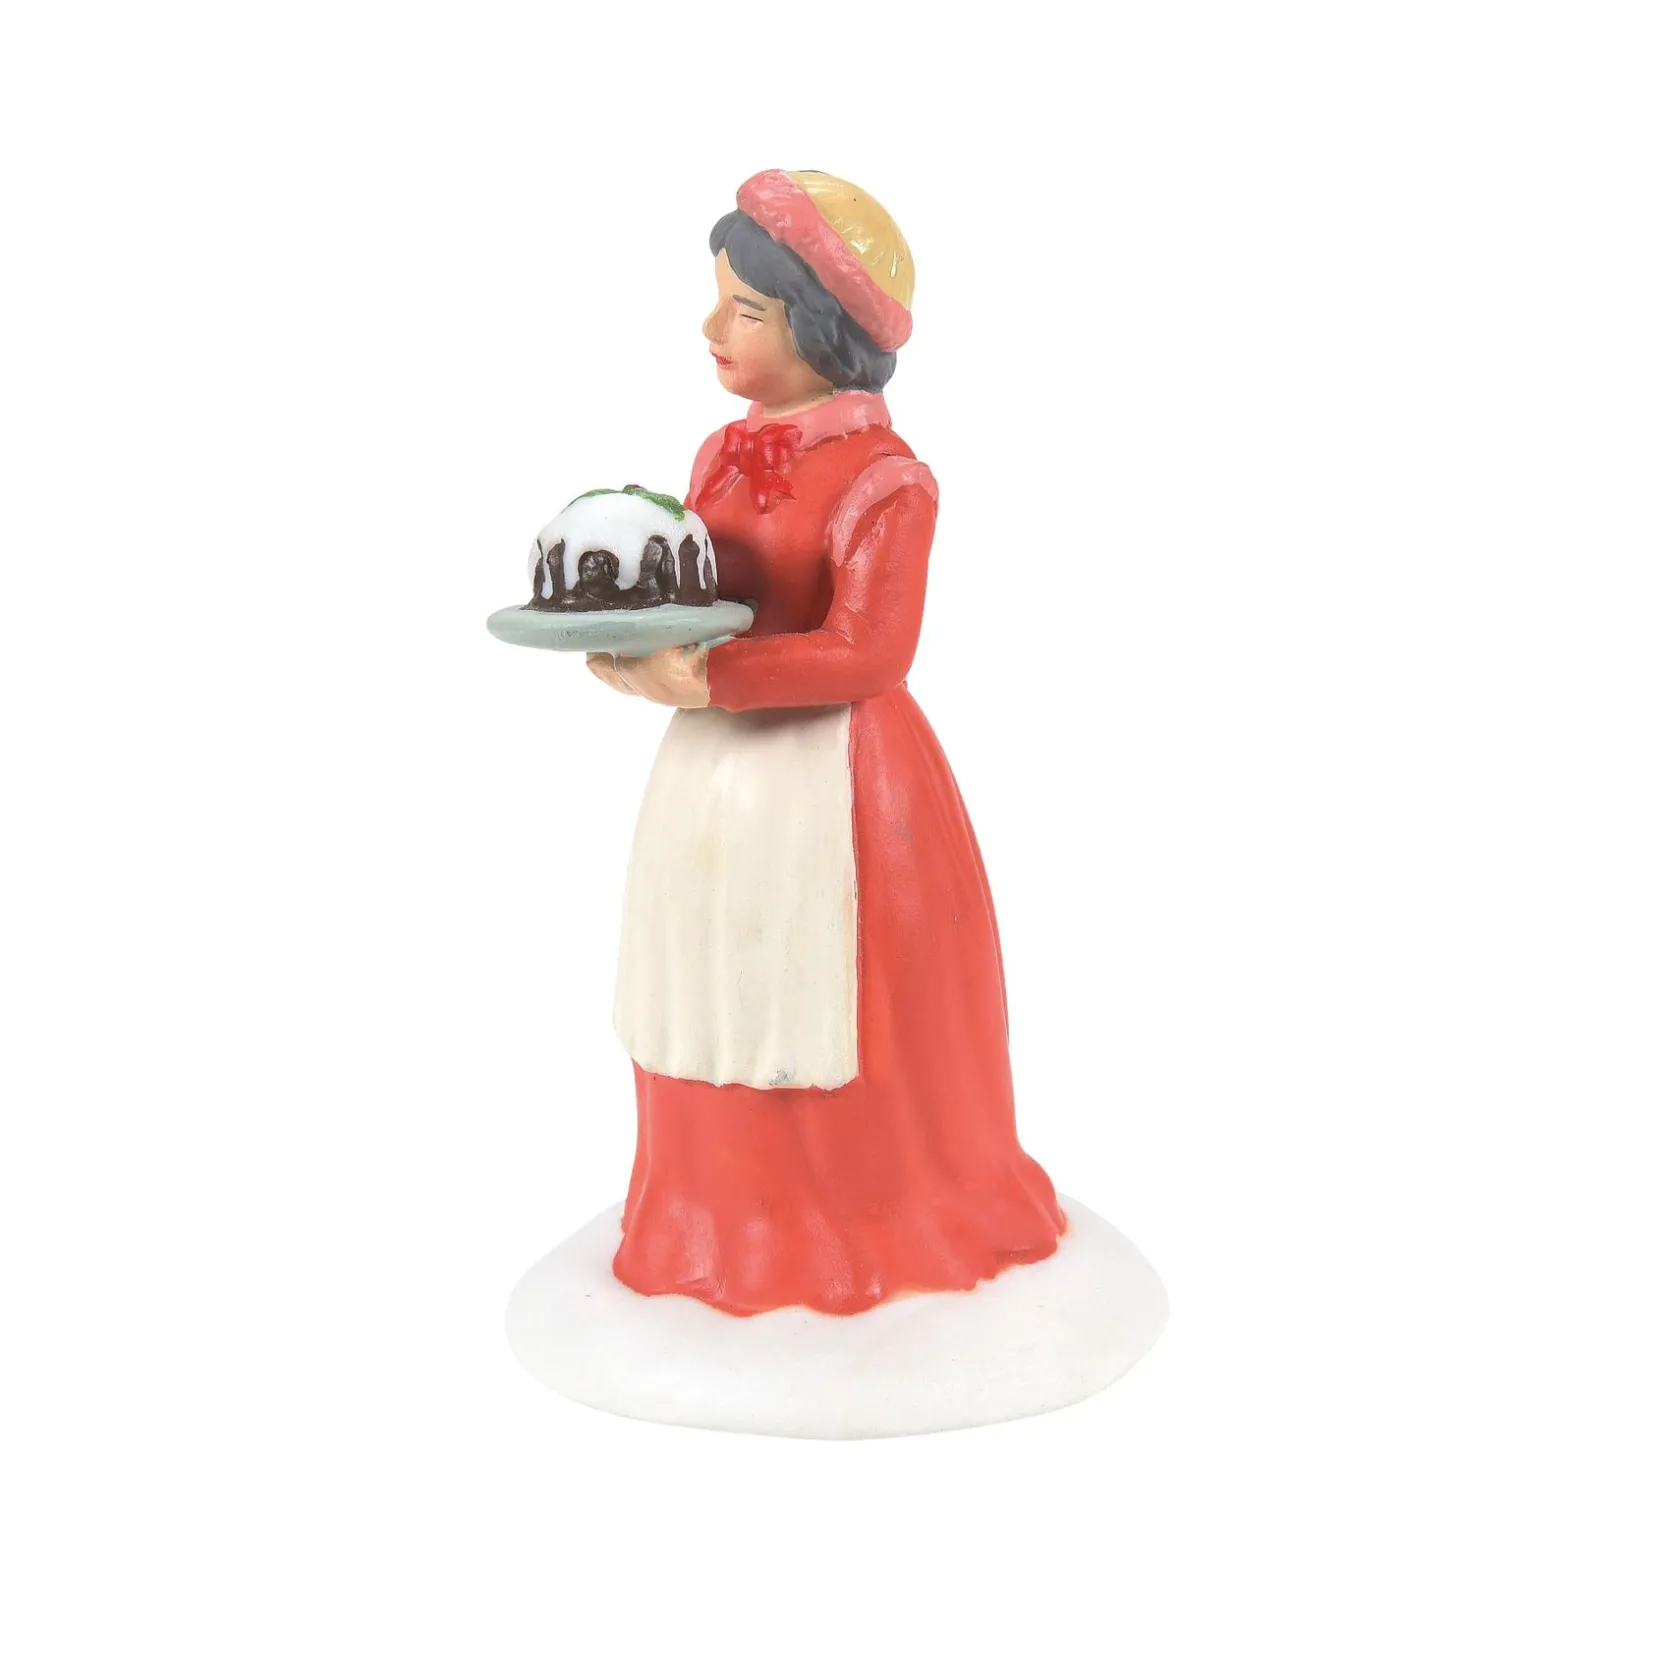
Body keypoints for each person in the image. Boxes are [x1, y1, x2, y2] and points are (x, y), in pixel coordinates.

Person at [586, 170, 1065, 1316]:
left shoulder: (888, 481)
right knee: (708, 981)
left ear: (818, 331)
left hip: (836, 785)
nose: (712, 328)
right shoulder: (718, 453)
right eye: (719, 300)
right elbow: (704, 584)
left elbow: (870, 651)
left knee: (816, 993)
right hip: (714, 777)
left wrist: (710, 677)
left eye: (746, 309)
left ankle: (844, 1225)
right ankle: (709, 1212)